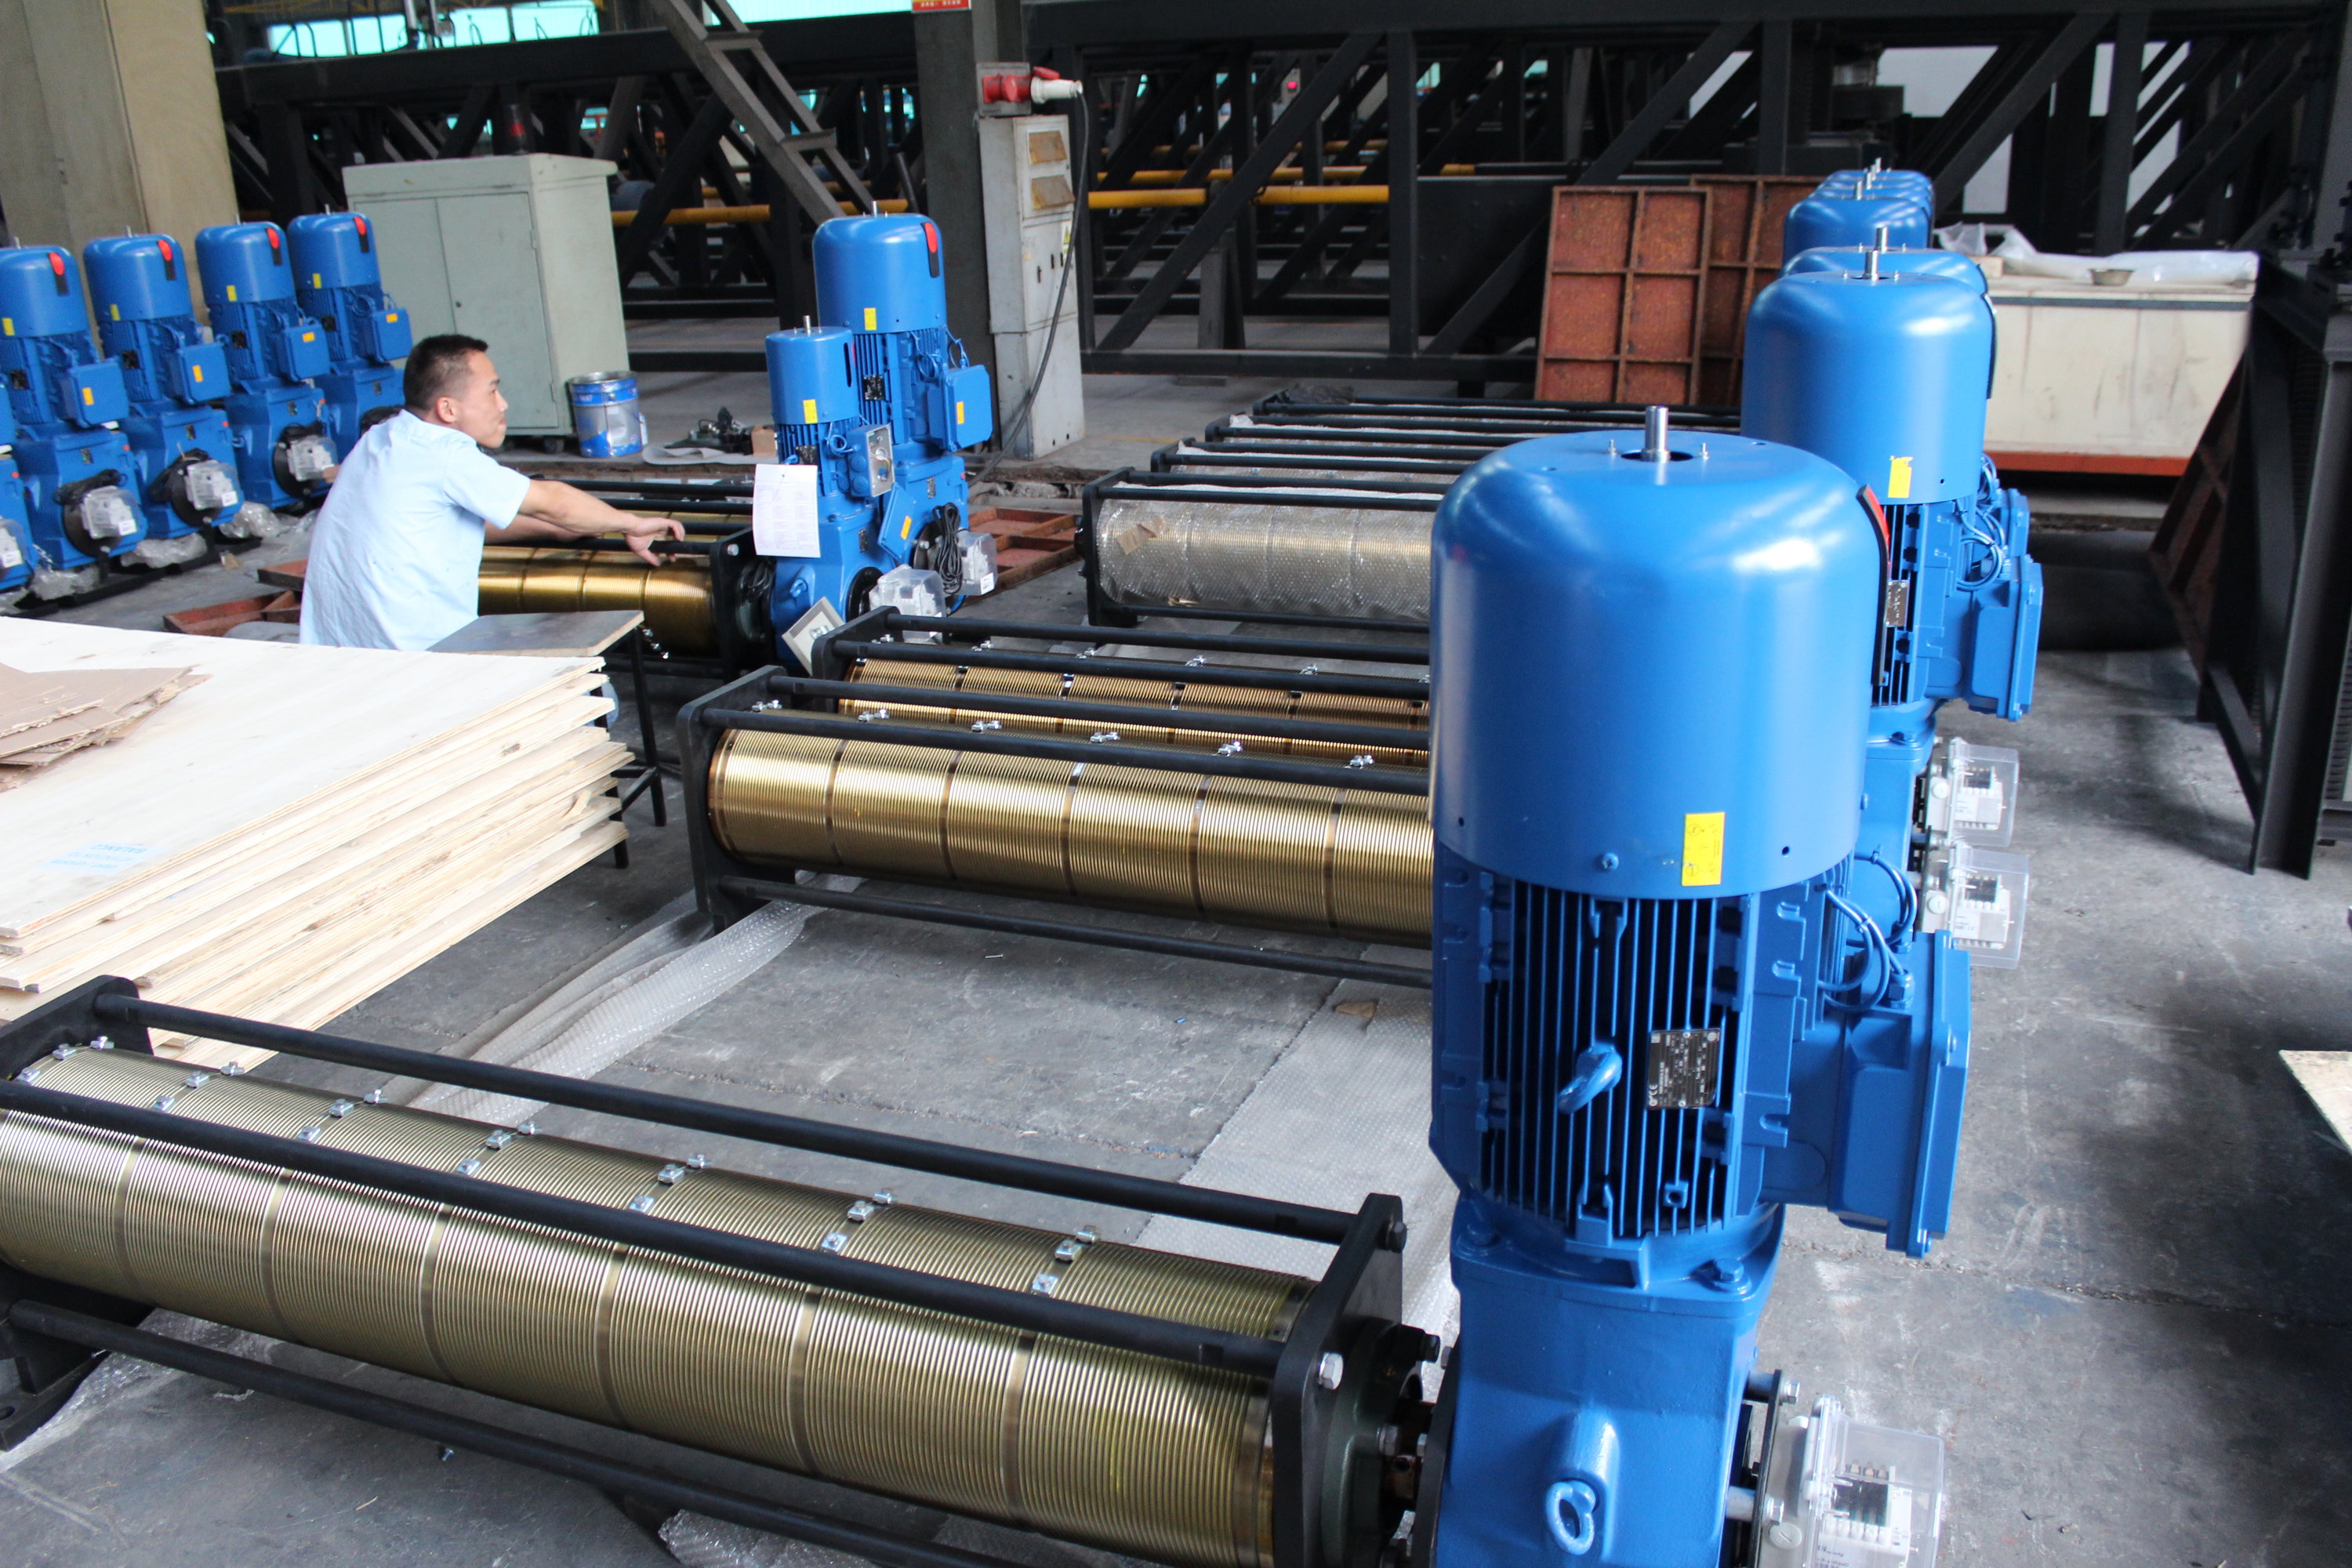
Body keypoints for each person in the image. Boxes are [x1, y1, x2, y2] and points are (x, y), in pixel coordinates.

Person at [299, 334, 683, 651]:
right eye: (492, 392)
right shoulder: (445, 454)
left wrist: (554, 530)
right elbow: (553, 501)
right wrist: (630, 523)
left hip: (340, 655)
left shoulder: (380, 439)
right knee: (596, 698)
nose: (503, 404)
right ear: (448, 409)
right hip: (419, 658)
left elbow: (461, 524)